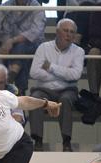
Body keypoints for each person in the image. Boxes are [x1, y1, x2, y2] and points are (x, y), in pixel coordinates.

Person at [29, 19, 84, 152]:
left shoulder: (79, 51)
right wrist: (64, 73)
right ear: (57, 31)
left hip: (67, 90)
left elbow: (75, 75)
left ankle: (66, 142)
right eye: (66, 31)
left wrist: (51, 67)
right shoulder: (43, 47)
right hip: (44, 89)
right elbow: (34, 72)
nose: (69, 34)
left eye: (72, 32)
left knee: (65, 100)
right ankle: (38, 141)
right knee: (36, 98)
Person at [0, 0, 46, 95]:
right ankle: (18, 89)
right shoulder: (5, 7)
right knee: (20, 57)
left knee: (20, 47)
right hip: (10, 50)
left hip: (32, 46)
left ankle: (9, 81)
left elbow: (35, 32)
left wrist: (12, 40)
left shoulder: (37, 7)